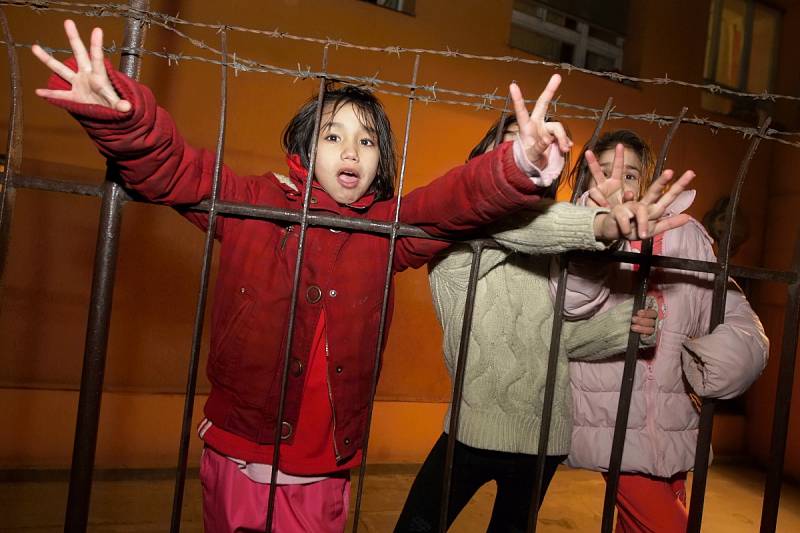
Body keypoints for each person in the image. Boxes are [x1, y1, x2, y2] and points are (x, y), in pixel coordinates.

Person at [32, 19, 589, 533]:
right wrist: (122, 118)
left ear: (380, 160)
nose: (352, 150)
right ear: (303, 147)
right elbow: (174, 169)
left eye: (367, 140)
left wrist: (518, 164)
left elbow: (449, 205)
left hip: (323, 469)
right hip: (238, 453)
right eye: (333, 135)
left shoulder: (386, 230)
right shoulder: (255, 201)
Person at [394, 116, 696, 533]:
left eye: (535, 155)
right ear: (478, 164)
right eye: (511, 151)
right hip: (471, 432)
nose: (524, 161)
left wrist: (623, 328)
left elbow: (556, 338)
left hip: (543, 439)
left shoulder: (548, 256)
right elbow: (510, 226)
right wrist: (599, 224)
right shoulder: (453, 250)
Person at [563, 129, 769, 532]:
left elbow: (731, 309)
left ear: (646, 180)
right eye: (604, 172)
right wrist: (600, 237)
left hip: (676, 421)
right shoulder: (576, 235)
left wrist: (725, 358)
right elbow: (567, 303)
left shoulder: (686, 233)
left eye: (629, 174)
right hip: (612, 422)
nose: (617, 184)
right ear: (586, 181)